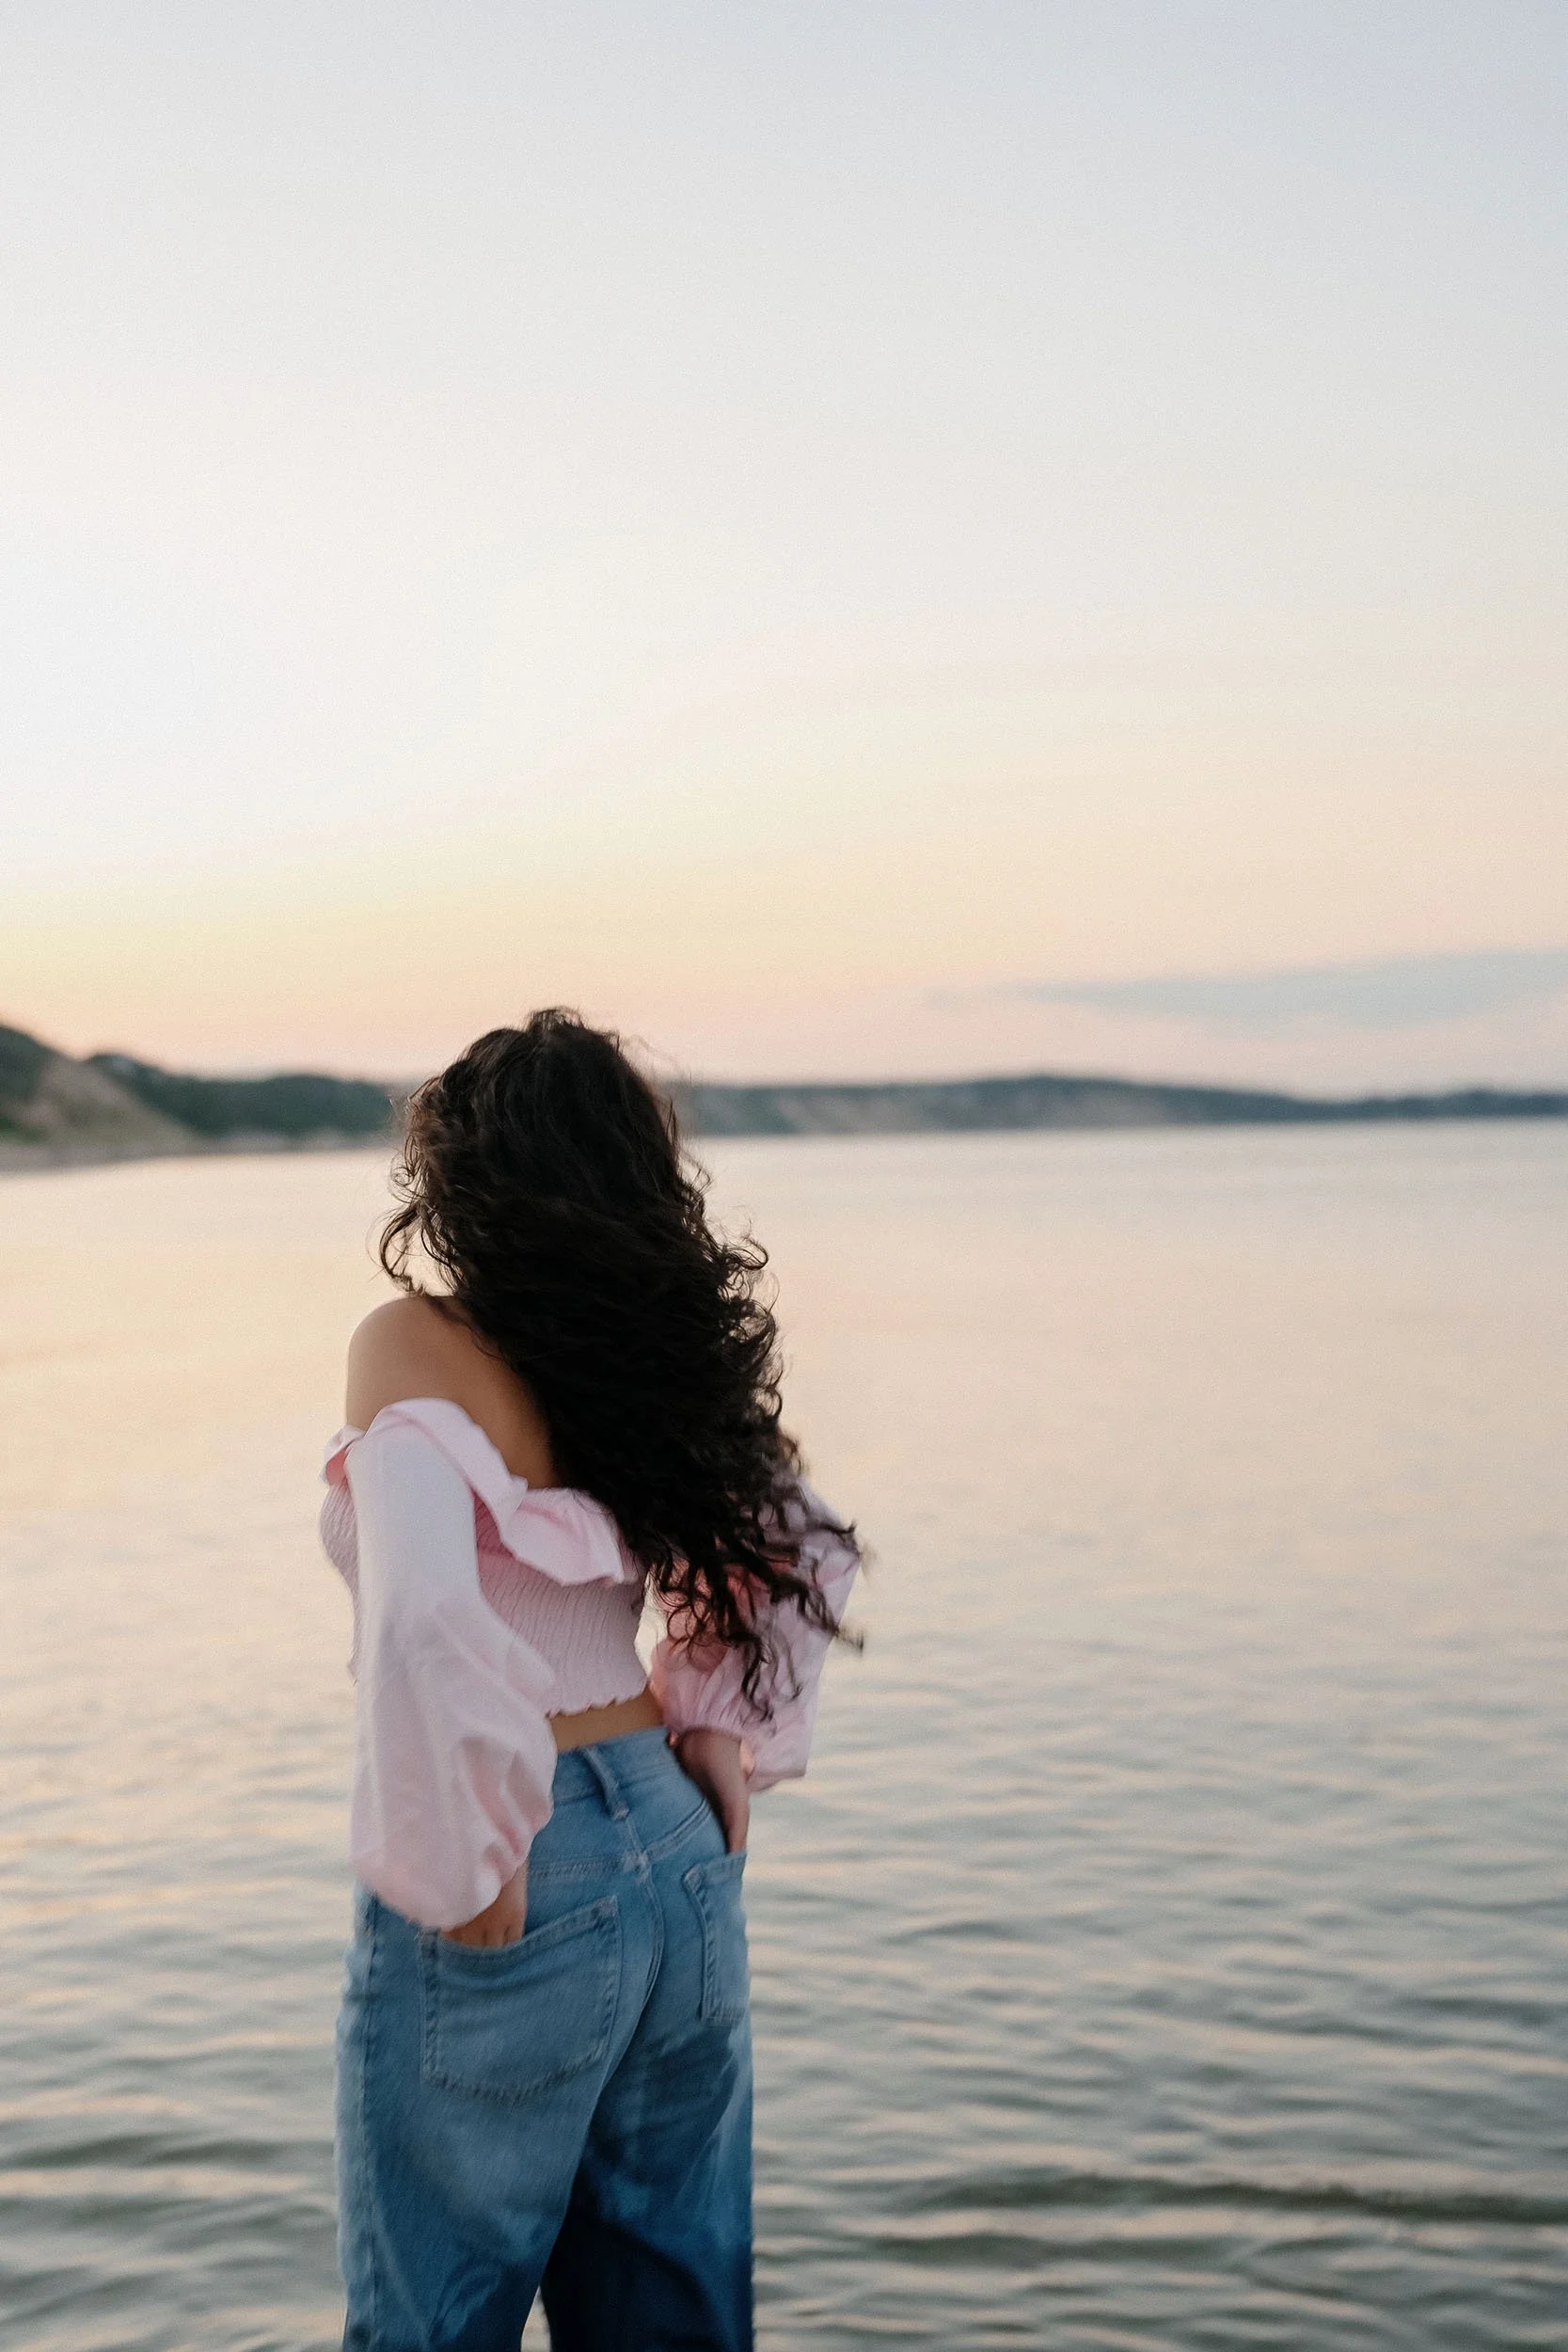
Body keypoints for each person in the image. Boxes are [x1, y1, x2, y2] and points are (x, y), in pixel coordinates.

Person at [318, 1012, 861, 2350]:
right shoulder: (649, 1363)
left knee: (431, 2320)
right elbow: (794, 1533)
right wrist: (721, 1730)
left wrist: (473, 1844)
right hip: (674, 1846)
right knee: (667, 2312)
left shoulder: (413, 1340)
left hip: (523, 1848)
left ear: (457, 1179)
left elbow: (426, 1612)